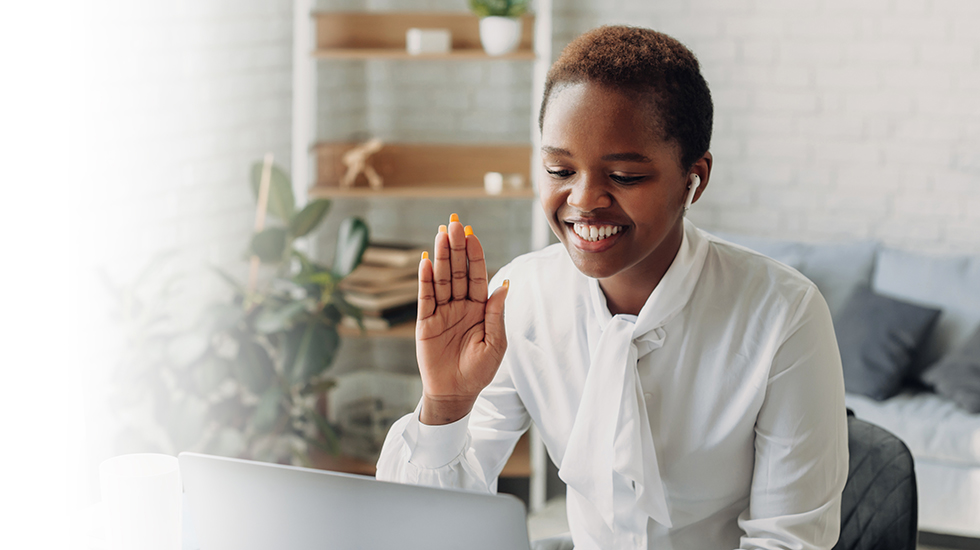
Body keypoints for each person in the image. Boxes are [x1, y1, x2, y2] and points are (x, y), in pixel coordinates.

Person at [377, 25, 848, 550]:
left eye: (624, 176)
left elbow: (789, 542)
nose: (584, 201)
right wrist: (445, 405)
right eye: (559, 169)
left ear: (695, 178)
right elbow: (423, 530)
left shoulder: (785, 315)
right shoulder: (521, 298)